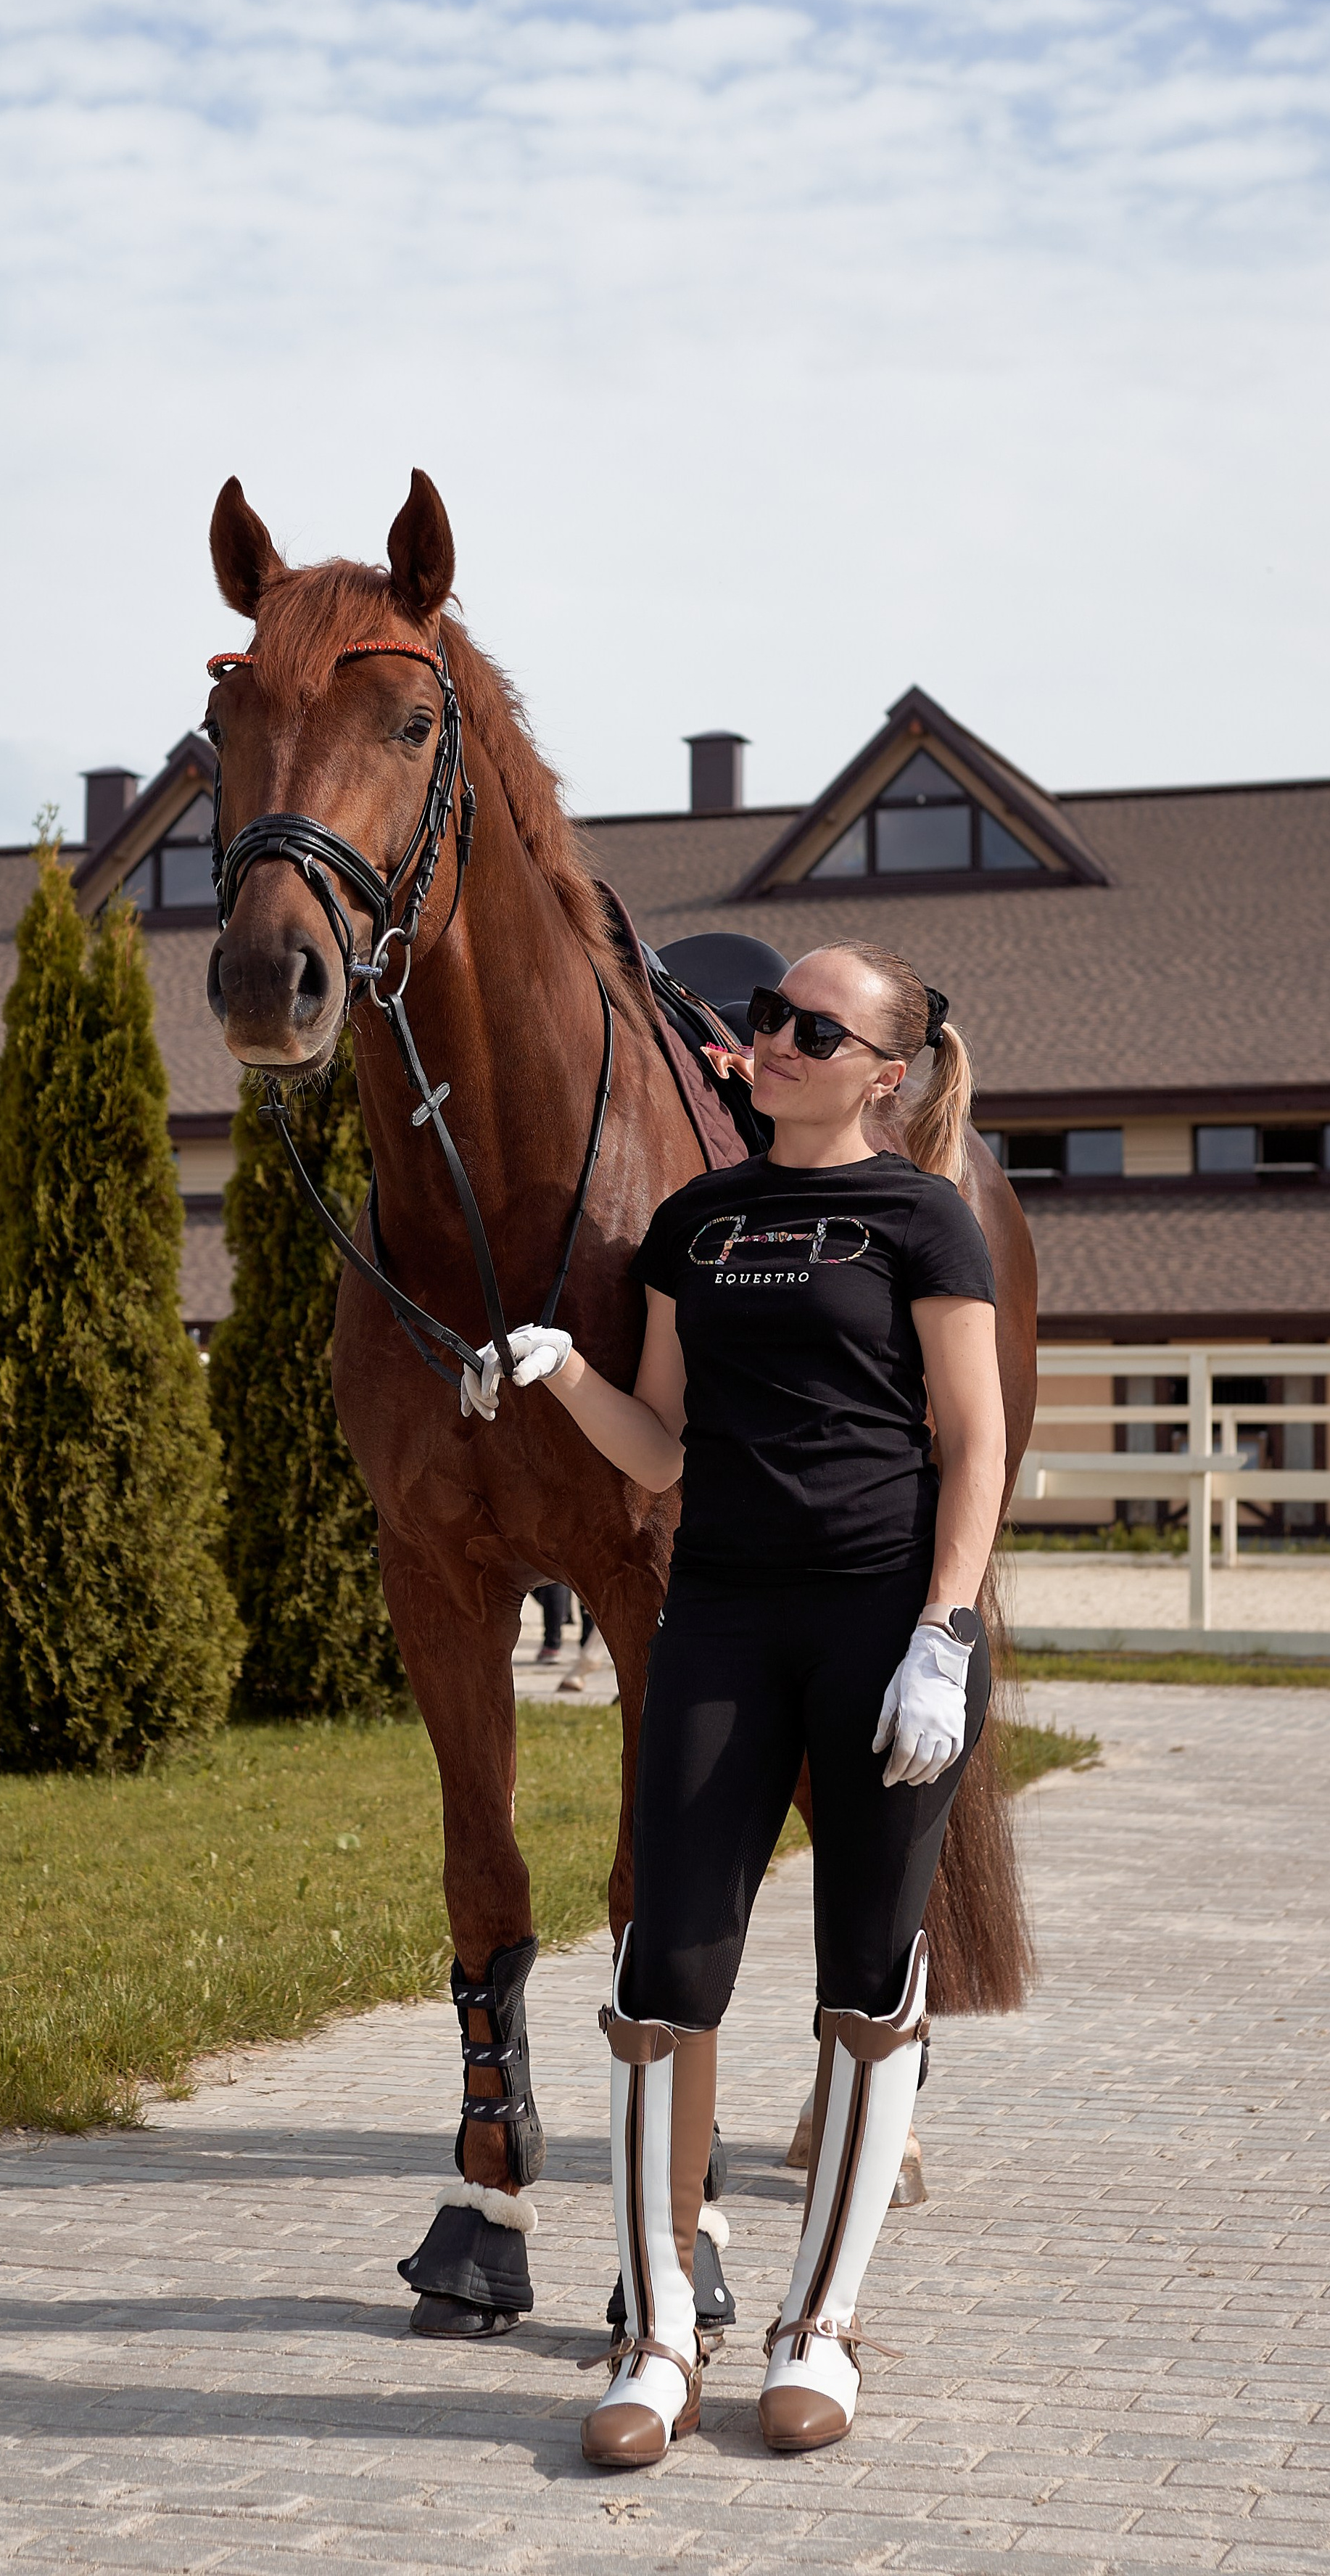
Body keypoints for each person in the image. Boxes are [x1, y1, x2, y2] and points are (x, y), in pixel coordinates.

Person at [465, 939, 1005, 2467]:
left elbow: (972, 1443)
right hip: (718, 1623)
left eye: (811, 1029)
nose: (770, 1038)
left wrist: (944, 1633)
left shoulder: (922, 1218)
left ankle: (817, 2327)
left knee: (864, 1976)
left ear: (881, 1076)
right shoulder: (696, 1223)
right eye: (769, 1016)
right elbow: (658, 1447)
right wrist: (563, 1373)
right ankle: (653, 2339)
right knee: (662, 1975)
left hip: (880, 1625)